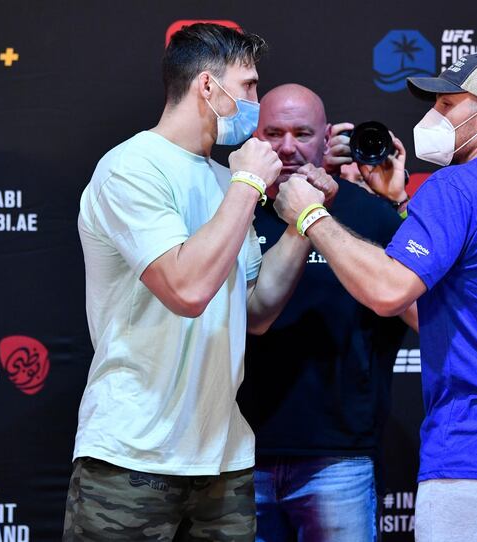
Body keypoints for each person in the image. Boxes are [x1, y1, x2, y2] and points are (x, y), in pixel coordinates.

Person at [272, 54, 477, 542]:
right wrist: (399, 203)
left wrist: (309, 218)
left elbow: (388, 292)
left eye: (449, 104)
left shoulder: (456, 187)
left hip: (476, 455)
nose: (435, 117)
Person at [64, 24, 337, 541]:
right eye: (250, 86)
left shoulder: (222, 179)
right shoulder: (131, 168)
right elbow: (187, 291)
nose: (258, 101)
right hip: (133, 455)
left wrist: (305, 223)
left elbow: (256, 311)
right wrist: (249, 184)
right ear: (208, 88)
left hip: (223, 459)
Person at [236, 83, 411, 542]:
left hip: (339, 456)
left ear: (328, 136)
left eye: (302, 132)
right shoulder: (231, 210)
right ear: (253, 136)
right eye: (273, 132)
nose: (288, 146)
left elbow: (425, 306)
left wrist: (396, 201)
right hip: (233, 454)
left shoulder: (369, 214)